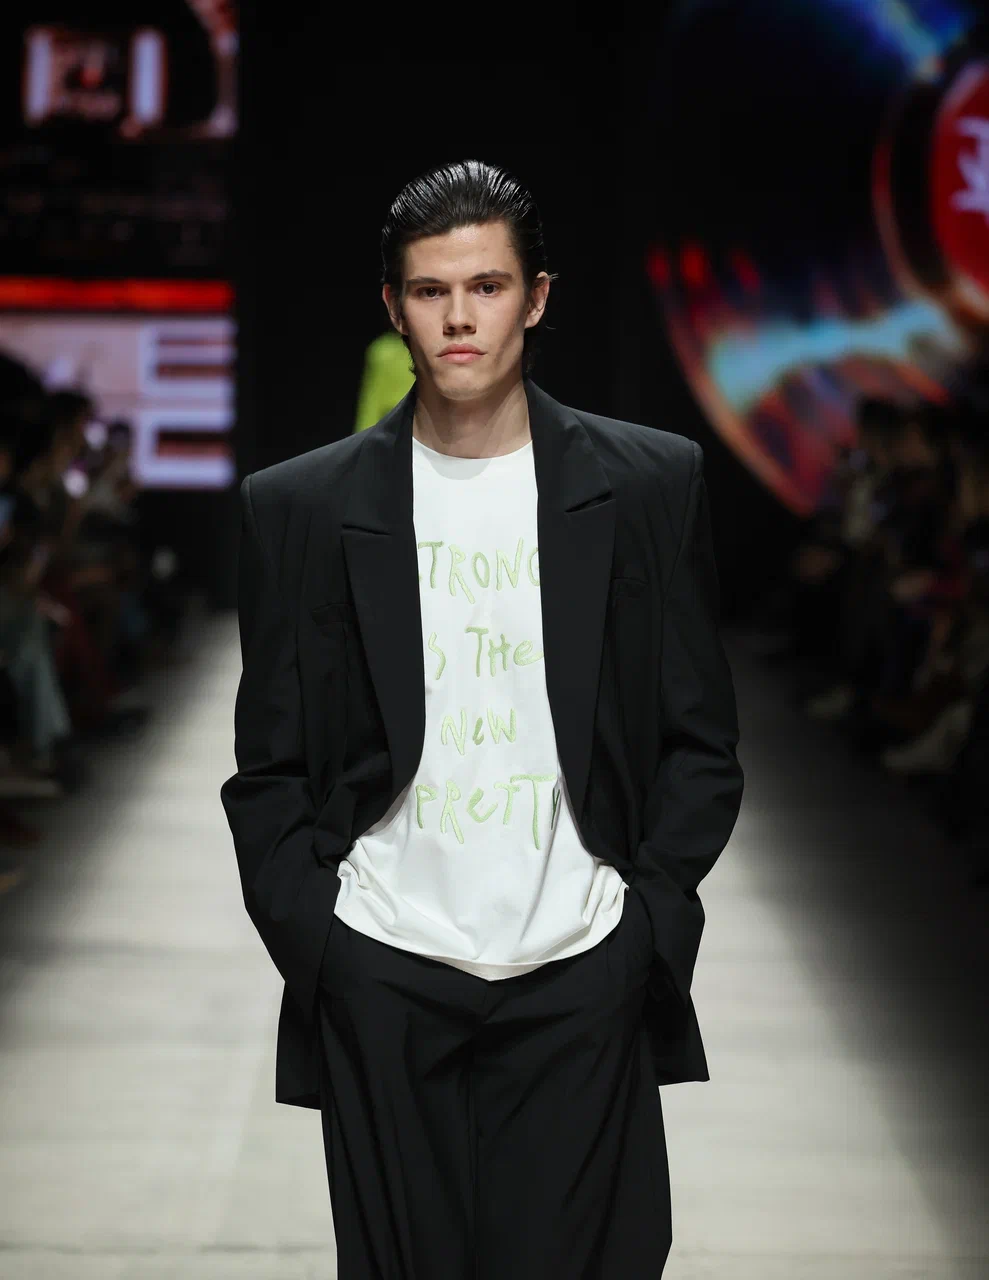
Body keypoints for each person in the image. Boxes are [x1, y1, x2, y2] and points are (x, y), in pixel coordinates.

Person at [220, 158, 744, 1278]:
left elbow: (698, 738)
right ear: (393, 306)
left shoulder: (648, 485)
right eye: (429, 290)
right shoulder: (300, 507)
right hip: (384, 961)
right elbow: (269, 763)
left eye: (487, 287)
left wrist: (643, 924)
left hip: (579, 962)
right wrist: (324, 944)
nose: (459, 318)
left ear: (536, 298)